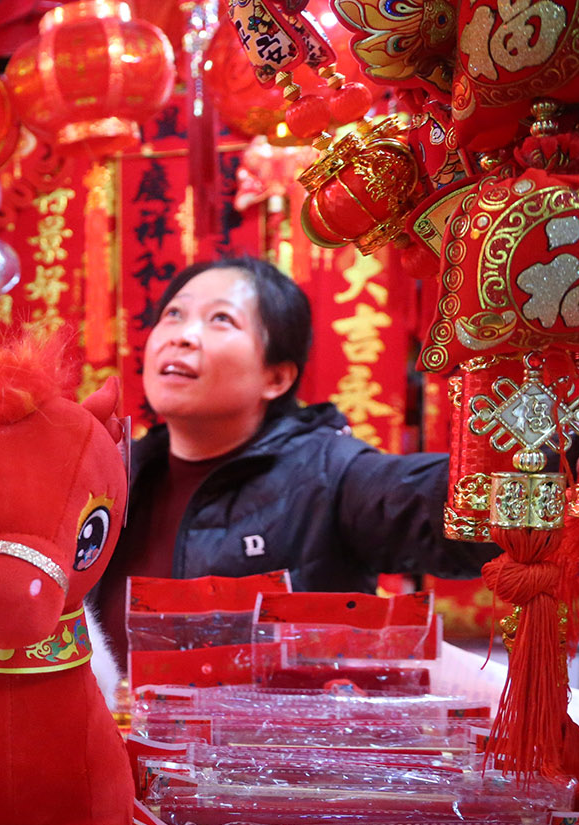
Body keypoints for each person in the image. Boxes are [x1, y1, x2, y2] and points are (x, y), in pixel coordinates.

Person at [93, 256, 495, 647]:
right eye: (174, 314)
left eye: (221, 319)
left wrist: (526, 447)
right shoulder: (114, 474)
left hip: (263, 717)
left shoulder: (332, 476)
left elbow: (449, 504)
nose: (182, 335)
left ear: (277, 377)